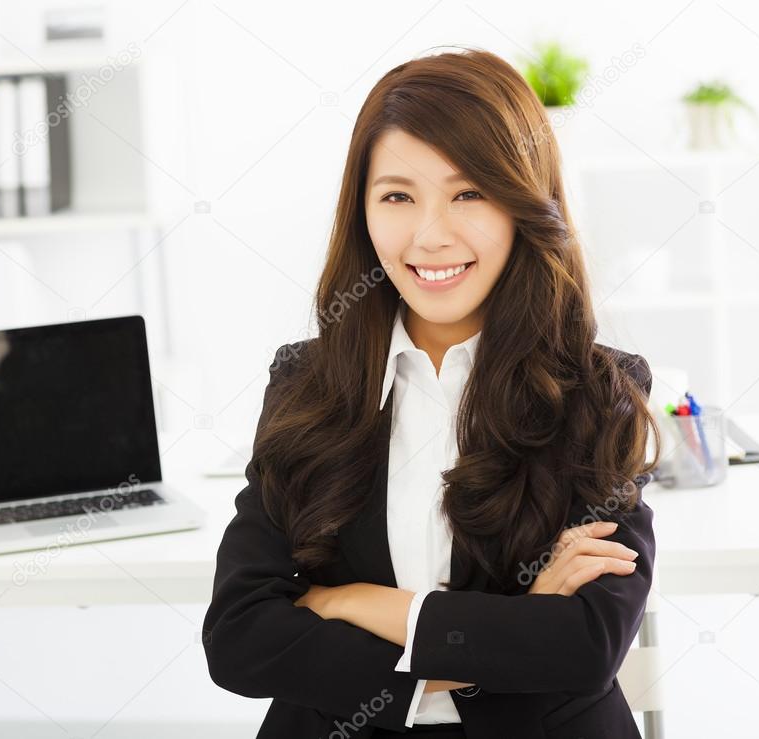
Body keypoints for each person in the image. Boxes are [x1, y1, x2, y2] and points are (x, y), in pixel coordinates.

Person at [203, 46, 661, 739]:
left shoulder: (599, 390)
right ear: (361, 210)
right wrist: (506, 630)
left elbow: (582, 644)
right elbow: (240, 637)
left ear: (522, 203)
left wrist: (349, 600)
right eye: (396, 195)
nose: (429, 235)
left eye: (468, 193)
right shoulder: (305, 384)